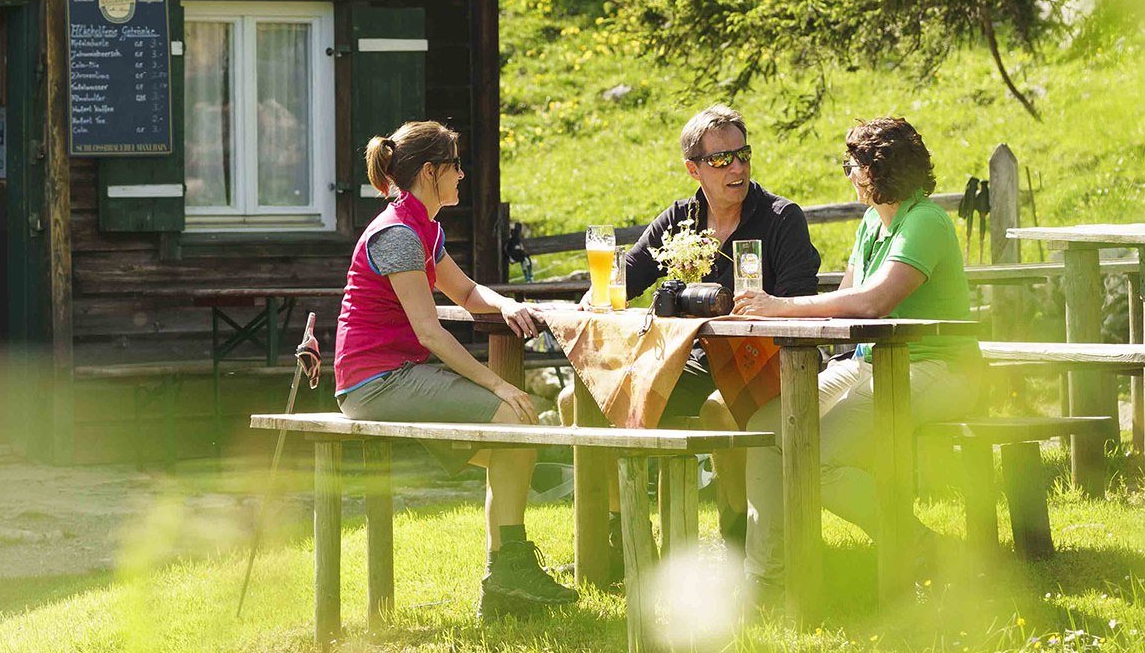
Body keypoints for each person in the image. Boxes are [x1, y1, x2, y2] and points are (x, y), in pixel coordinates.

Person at [334, 120, 578, 619]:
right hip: (376, 383)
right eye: (456, 165)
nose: (463, 175)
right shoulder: (399, 234)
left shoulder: (424, 226)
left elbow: (465, 292)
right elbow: (429, 331)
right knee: (513, 419)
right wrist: (496, 383)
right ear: (430, 171)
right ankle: (509, 569)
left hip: (397, 376)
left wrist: (505, 304)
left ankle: (507, 575)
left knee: (516, 438)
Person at [731, 116, 982, 596]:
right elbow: (847, 294)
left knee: (814, 456)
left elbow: (872, 303)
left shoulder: (924, 221)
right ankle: (767, 578)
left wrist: (778, 307)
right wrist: (772, 314)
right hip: (869, 363)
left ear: (878, 169)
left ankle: (924, 546)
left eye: (854, 164)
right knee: (768, 427)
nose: (848, 172)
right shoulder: (872, 221)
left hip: (938, 368)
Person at [559, 104, 821, 556]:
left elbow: (800, 304)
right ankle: (623, 534)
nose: (736, 167)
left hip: (772, 359)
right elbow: (630, 275)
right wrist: (598, 294)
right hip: (696, 361)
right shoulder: (681, 218)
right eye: (721, 160)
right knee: (576, 400)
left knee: (721, 409)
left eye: (743, 154)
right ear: (693, 169)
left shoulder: (781, 218)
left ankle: (736, 536)